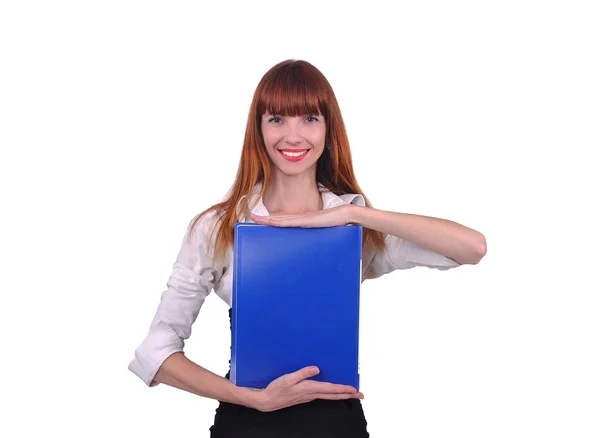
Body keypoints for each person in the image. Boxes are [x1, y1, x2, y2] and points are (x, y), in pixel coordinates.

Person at [128, 59, 487, 437]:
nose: (293, 136)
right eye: (277, 119)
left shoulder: (353, 226)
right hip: (247, 423)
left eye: (310, 119)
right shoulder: (217, 227)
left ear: (329, 129)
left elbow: (470, 248)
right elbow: (156, 354)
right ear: (259, 129)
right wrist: (254, 399)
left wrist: (354, 213)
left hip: (337, 424)